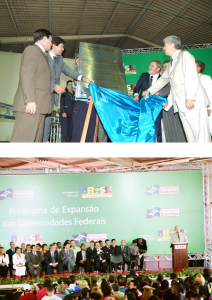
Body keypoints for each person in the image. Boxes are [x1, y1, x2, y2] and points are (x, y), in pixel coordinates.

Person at [143, 35, 211, 143]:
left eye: (165, 45)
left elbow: (191, 76)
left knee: (200, 135)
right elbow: (163, 79)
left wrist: (190, 97)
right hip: (181, 105)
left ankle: (206, 158)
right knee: (190, 136)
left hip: (193, 102)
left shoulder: (185, 55)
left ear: (172, 45)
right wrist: (149, 91)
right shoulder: (171, 63)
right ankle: (196, 159)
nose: (163, 48)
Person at [43, 36, 93, 142]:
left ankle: (42, 148)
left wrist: (83, 78)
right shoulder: (43, 57)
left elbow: (69, 71)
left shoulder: (59, 59)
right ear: (54, 46)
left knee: (46, 125)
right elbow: (39, 77)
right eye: (61, 47)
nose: (63, 49)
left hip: (51, 98)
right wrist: (53, 86)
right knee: (40, 125)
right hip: (42, 96)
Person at [11, 29, 52, 142]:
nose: (51, 43)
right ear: (45, 38)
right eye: (50, 40)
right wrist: (29, 100)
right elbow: (27, 74)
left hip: (38, 107)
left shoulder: (41, 54)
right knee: (22, 143)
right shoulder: (32, 50)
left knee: (33, 145)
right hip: (30, 106)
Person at [134, 60, 163, 142]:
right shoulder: (144, 75)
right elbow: (137, 87)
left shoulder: (163, 79)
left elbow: (165, 92)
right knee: (143, 126)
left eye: (152, 66)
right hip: (143, 107)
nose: (149, 67)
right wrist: (136, 95)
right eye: (150, 65)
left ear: (158, 69)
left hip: (156, 107)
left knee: (157, 127)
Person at [158, 61, 187, 143]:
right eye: (163, 66)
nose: (164, 68)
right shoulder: (161, 79)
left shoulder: (177, 78)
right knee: (168, 130)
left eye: (166, 66)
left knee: (178, 129)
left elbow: (170, 91)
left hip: (175, 107)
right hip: (165, 108)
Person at [195, 60, 212, 137]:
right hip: (192, 108)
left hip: (204, 108)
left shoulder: (206, 78)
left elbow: (209, 93)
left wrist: (209, 108)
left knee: (207, 131)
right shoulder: (187, 79)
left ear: (199, 68)